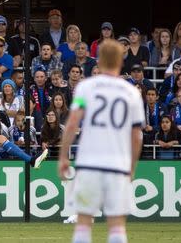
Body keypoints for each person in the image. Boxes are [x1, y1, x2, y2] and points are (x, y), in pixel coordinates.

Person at [58, 39, 144, 243]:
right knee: (116, 226)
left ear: (99, 60)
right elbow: (137, 135)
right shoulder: (131, 93)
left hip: (89, 164)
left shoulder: (85, 88)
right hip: (118, 164)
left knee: (84, 223)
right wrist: (132, 166)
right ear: (121, 61)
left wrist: (63, 156)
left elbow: (72, 124)